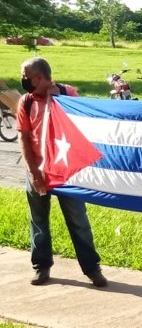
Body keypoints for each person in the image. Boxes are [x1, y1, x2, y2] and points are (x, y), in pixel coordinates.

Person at [16, 57, 107, 287]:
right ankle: (41, 266)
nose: (23, 80)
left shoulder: (68, 94)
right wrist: (33, 170)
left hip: (67, 171)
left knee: (78, 219)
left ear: (39, 77)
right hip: (38, 169)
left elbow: (84, 125)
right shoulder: (26, 102)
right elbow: (24, 137)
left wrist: (57, 98)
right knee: (38, 220)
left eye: (26, 76)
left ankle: (91, 268)